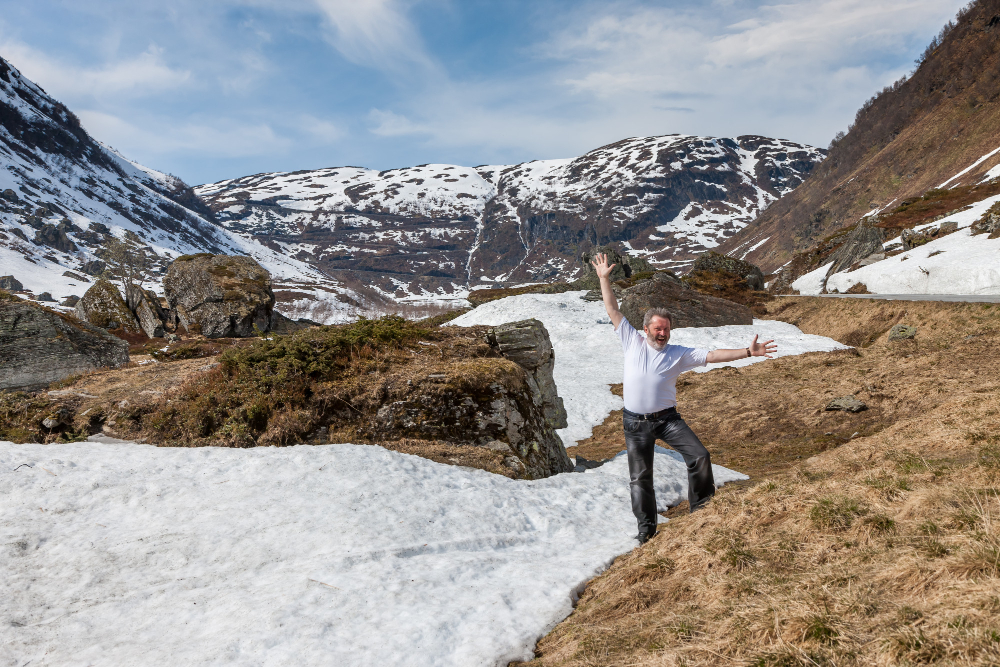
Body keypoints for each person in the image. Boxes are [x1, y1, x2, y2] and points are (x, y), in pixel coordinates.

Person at [591, 253, 777, 544]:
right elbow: (613, 309)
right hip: (635, 424)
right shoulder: (631, 341)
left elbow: (713, 355)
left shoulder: (679, 353)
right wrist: (604, 278)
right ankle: (646, 532)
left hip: (667, 420)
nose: (662, 333)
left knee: (699, 456)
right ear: (646, 329)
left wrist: (747, 352)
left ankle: (702, 511)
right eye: (657, 328)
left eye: (666, 328)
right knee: (640, 479)